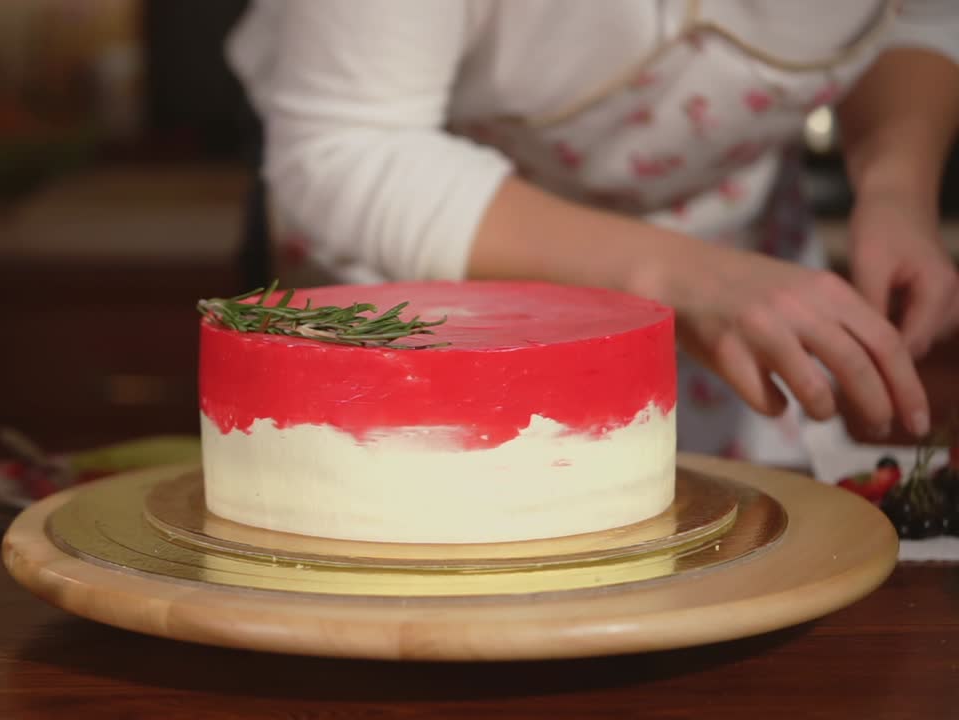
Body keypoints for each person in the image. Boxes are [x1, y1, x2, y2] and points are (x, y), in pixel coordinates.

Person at [225, 0, 959, 465]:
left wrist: (897, 185)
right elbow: (344, 146)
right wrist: (686, 278)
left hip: (750, 274)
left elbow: (920, 19)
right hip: (439, 267)